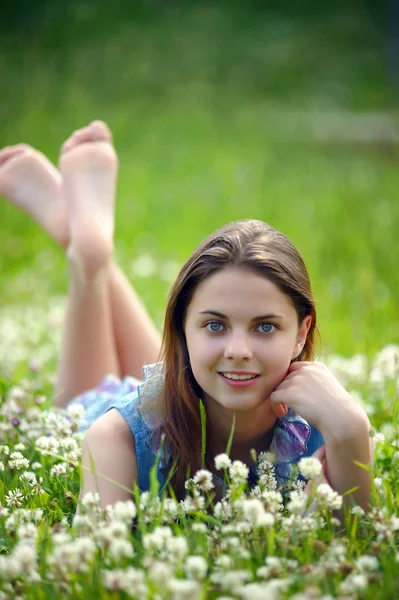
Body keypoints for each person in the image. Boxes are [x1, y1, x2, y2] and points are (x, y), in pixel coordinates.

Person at [0, 121, 373, 513]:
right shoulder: (114, 436)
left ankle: (90, 245)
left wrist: (352, 430)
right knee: (83, 402)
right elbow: (93, 568)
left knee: (192, 371)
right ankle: (88, 260)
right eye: (215, 324)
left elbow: (354, 544)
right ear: (181, 325)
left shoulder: (329, 424)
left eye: (265, 326)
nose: (239, 350)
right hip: (131, 410)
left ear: (302, 332)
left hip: (185, 389)